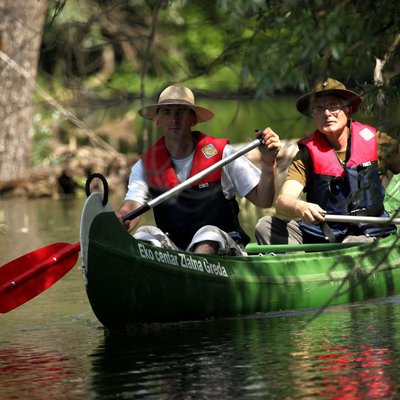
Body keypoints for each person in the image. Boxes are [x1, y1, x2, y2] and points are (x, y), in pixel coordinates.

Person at [116, 85, 281, 255]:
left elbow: (264, 200)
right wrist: (119, 219)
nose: (174, 119)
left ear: (193, 119)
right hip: (175, 252)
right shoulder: (145, 166)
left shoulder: (222, 154)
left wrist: (269, 163)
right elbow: (132, 205)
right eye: (166, 112)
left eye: (181, 112)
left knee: (207, 234)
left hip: (223, 248)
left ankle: (193, 274)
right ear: (157, 120)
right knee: (145, 234)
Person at [255, 77, 400, 245]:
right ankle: (304, 264)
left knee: (352, 242)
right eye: (319, 108)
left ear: (348, 110)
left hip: (370, 231)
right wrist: (299, 206)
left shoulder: (377, 141)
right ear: (313, 115)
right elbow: (282, 201)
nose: (327, 114)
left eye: (334, 107)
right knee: (266, 226)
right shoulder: (307, 154)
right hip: (323, 232)